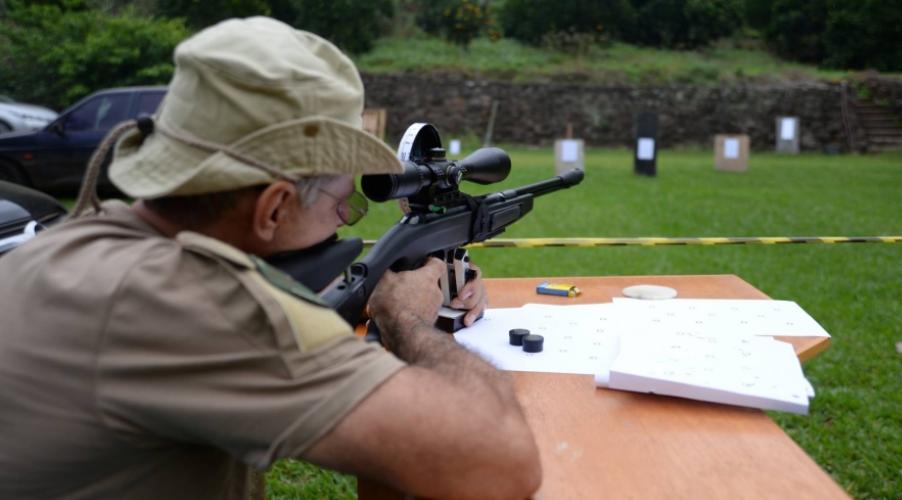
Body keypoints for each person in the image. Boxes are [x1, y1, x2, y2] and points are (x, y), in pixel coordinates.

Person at [0, 17, 541, 500]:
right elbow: (500, 462)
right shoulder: (190, 306)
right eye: (342, 203)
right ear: (274, 207)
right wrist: (408, 318)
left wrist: (390, 289)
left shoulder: (67, 248)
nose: (342, 222)